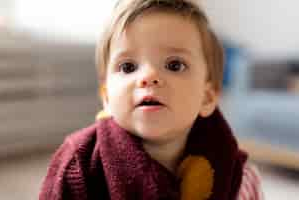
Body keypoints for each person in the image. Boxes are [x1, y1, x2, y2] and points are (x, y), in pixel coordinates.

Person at [39, 0, 264, 199]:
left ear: (206, 98)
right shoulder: (79, 164)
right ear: (107, 98)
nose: (148, 77)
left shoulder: (238, 176)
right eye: (128, 67)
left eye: (174, 65)